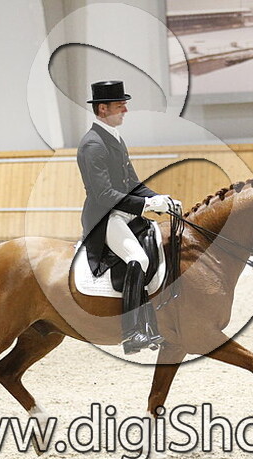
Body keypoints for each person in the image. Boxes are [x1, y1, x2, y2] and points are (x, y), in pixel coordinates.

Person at [77, 80, 180, 355]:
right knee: (138, 258)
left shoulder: (114, 139)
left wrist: (160, 199)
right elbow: (103, 194)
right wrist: (145, 205)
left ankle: (153, 320)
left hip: (123, 212)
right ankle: (132, 332)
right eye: (120, 105)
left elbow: (132, 183)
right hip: (104, 218)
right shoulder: (93, 144)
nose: (125, 110)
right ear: (103, 109)